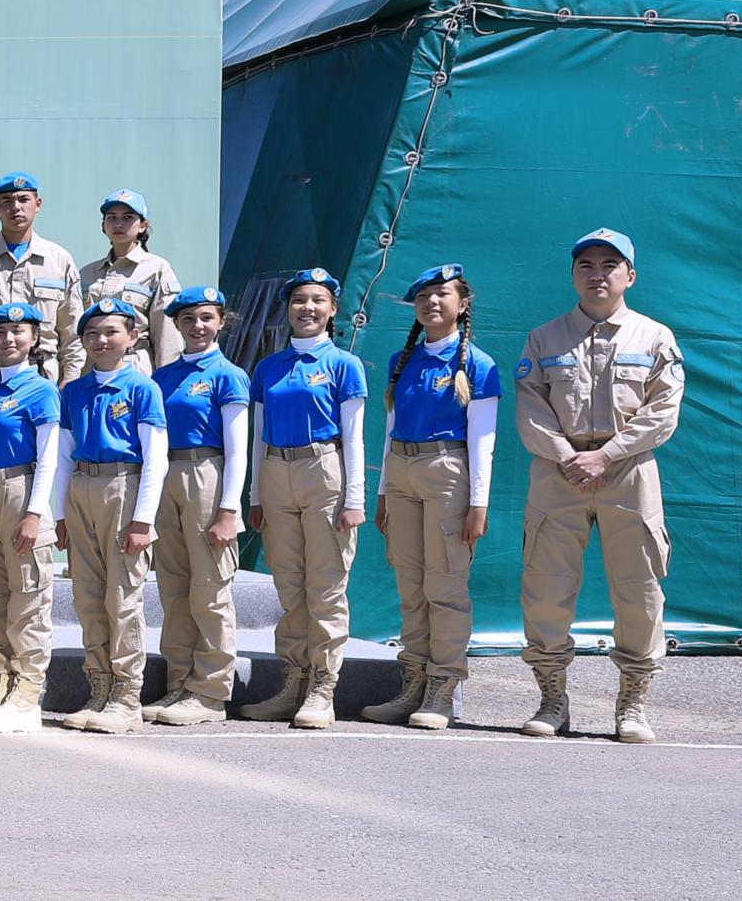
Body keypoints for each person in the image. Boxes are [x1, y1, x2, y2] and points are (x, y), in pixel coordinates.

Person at [514, 229, 682, 744]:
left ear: (630, 275)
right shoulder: (544, 338)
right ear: (572, 276)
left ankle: (632, 702)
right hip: (558, 471)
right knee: (546, 586)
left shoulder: (654, 337)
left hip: (628, 471)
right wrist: (569, 457)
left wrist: (607, 454)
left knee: (639, 589)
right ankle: (552, 698)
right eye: (586, 264)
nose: (597, 274)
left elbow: (664, 409)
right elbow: (531, 406)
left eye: (610, 265)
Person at [236, 268, 368, 731]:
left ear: (332, 309)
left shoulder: (344, 365)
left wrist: (354, 498)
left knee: (326, 586)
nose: (307, 308)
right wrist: (255, 494)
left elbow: (354, 437)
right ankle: (292, 681)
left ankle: (322, 687)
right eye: (298, 300)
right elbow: (257, 435)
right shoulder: (268, 368)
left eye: (317, 300)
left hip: (323, 470)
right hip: (276, 471)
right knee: (290, 586)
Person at [366, 264, 496, 730]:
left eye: (442, 294)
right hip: (402, 469)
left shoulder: (478, 364)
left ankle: (442, 687)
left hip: (448, 470)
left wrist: (477, 504)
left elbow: (483, 439)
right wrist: (383, 490)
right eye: (423, 296)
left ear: (463, 304)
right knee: (410, 583)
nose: (431, 302)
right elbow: (390, 428)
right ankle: (413, 683)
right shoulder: (403, 361)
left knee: (445, 585)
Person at [50, 299, 169, 734]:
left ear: (132, 337)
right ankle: (99, 687)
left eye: (111, 331)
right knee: (87, 596)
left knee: (122, 597)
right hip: (82, 488)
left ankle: (126, 695)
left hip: (124, 486)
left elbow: (156, 458)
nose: (101, 340)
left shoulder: (142, 388)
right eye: (92, 333)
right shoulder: (74, 391)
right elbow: (63, 456)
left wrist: (143, 520)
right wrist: (60, 513)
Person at [142, 286, 250, 728]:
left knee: (210, 589)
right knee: (174, 589)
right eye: (188, 319)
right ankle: (180, 682)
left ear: (221, 321)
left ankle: (210, 691)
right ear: (176, 325)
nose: (197, 326)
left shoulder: (228, 375)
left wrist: (229, 509)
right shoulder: (163, 376)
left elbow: (237, 449)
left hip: (207, 472)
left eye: (206, 318)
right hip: (165, 476)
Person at [0, 302, 61, 733]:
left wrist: (34, 514)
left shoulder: (41, 390)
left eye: (18, 332)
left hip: (22, 490)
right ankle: (3, 687)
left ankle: (28, 695)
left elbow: (49, 456)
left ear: (34, 339)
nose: (8, 339)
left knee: (29, 596)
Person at [0, 172, 80, 388]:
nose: (16, 207)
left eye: (24, 199)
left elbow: (71, 327)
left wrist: (71, 377)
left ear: (38, 204)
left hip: (41, 369)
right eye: (6, 201)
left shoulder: (59, 260)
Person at [75, 189, 184, 370]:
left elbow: (167, 332)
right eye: (112, 217)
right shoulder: (87, 273)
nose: (118, 223)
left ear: (142, 225)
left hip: (135, 367)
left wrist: (168, 377)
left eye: (127, 217)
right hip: (91, 369)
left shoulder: (157, 269)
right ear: (103, 225)